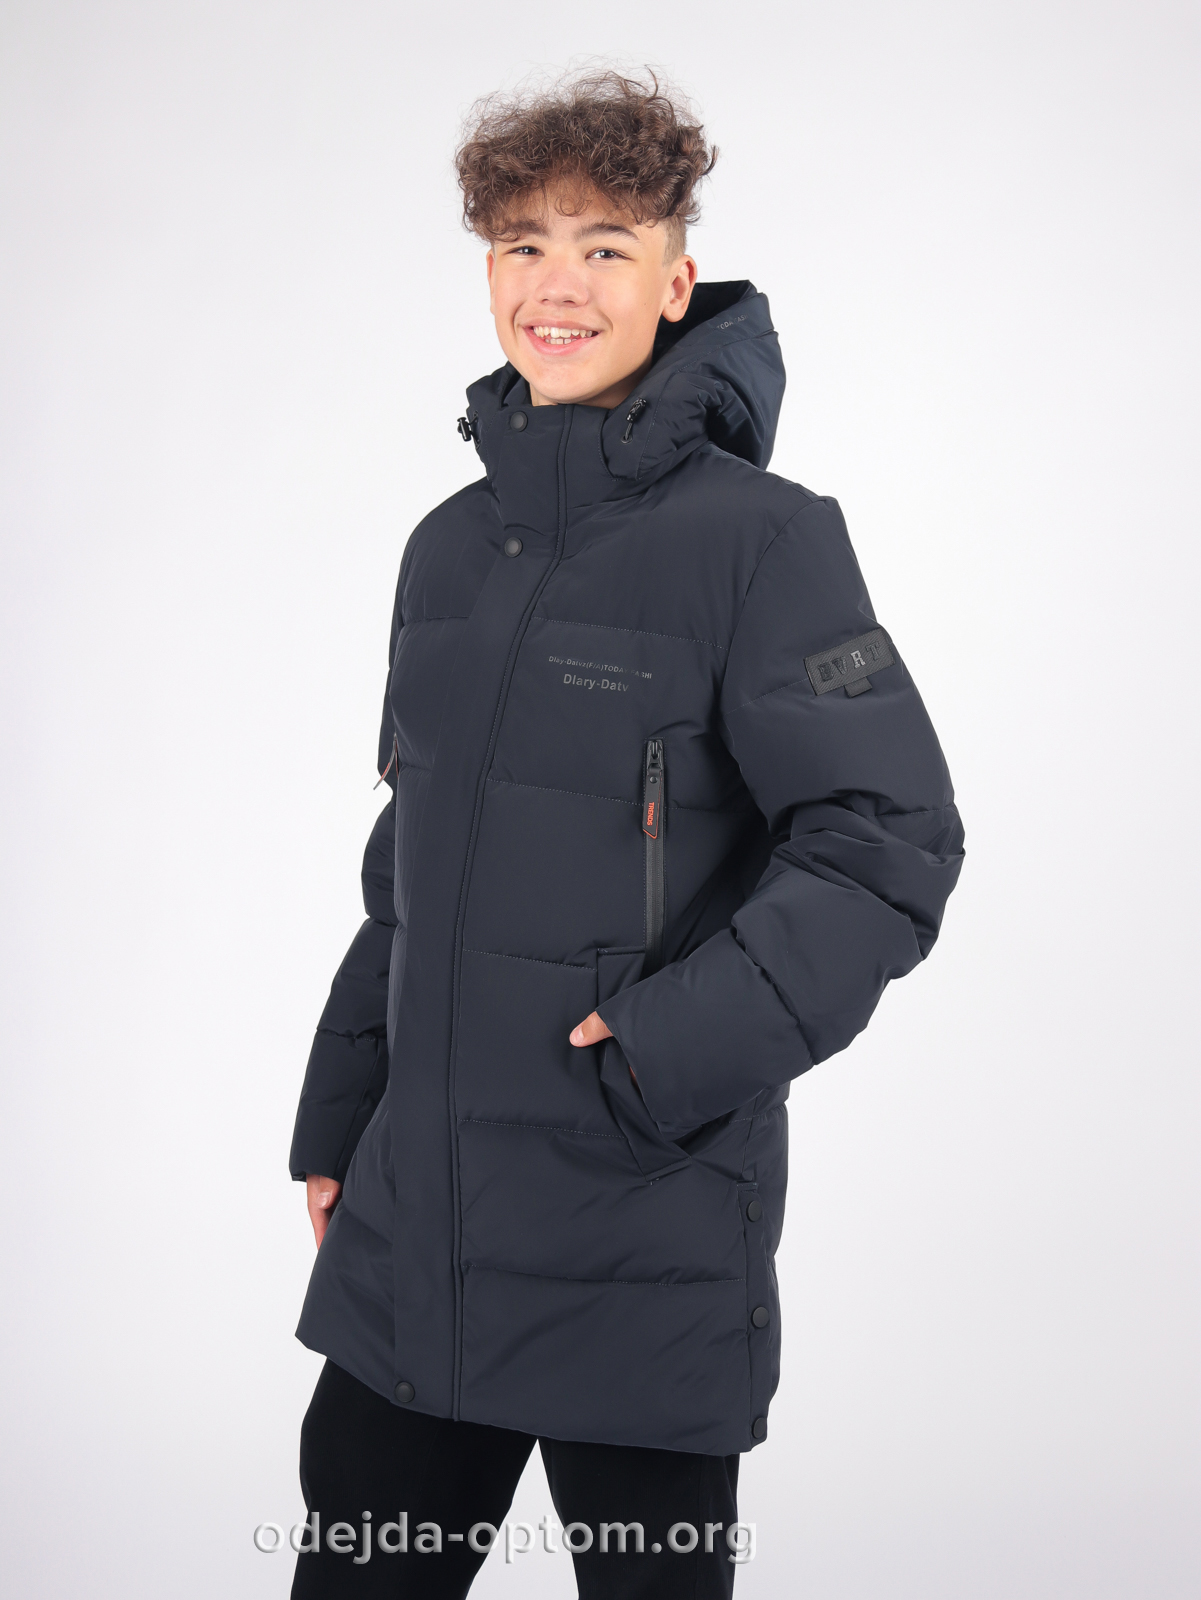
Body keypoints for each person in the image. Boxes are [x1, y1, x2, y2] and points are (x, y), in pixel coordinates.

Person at [286, 68, 964, 1599]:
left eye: (603, 245)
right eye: (522, 244)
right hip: (416, 1235)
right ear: (487, 274)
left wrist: (662, 1054)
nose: (557, 283)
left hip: (639, 1229)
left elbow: (888, 837)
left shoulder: (763, 541)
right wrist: (340, 1118)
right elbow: (410, 872)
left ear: (674, 280)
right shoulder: (447, 549)